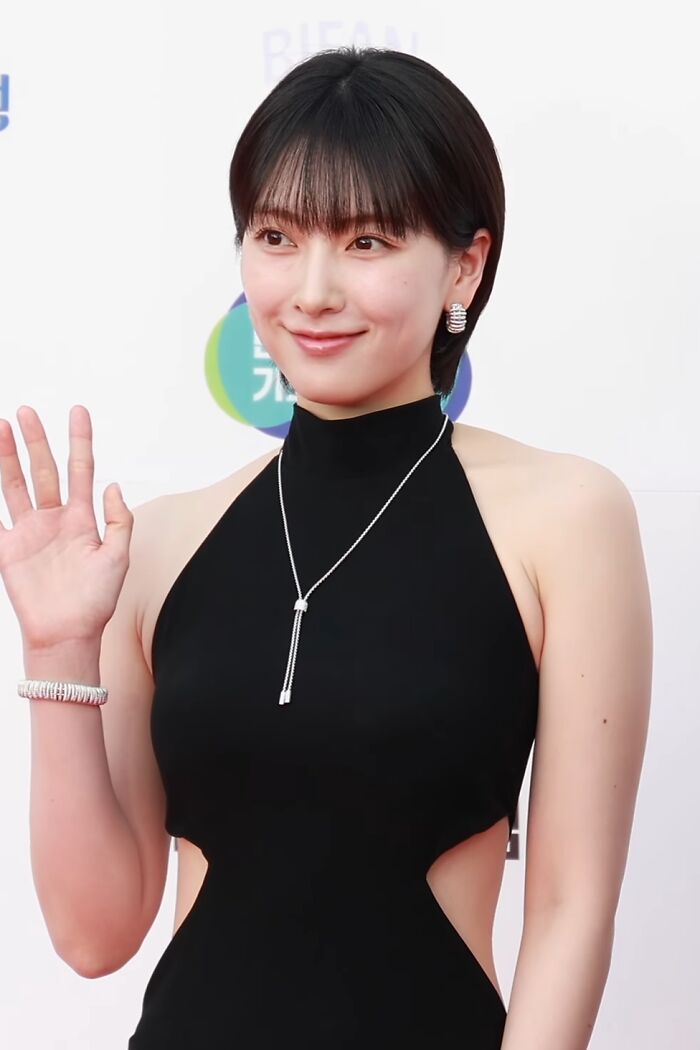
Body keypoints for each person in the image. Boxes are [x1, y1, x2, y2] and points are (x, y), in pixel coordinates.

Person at [0, 45, 652, 1050]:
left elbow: (571, 909)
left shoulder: (564, 518)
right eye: (275, 235)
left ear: (464, 264)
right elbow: (95, 933)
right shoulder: (165, 541)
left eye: (365, 241)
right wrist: (55, 652)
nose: (309, 291)